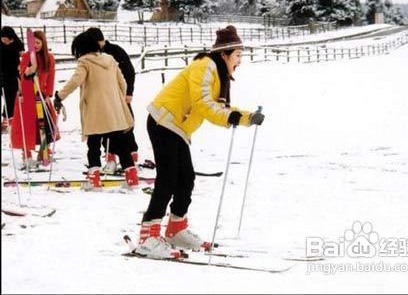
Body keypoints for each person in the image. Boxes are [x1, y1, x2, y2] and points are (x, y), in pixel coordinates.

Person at [135, 25, 265, 259]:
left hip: (178, 128)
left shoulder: (219, 74)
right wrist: (231, 116)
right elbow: (202, 103)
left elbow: (220, 109)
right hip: (163, 121)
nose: (239, 61)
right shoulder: (204, 65)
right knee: (168, 179)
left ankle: (176, 228)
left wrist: (246, 118)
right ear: (224, 54)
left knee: (186, 179)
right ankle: (147, 236)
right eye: (237, 55)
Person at [53, 31, 138, 190]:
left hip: (95, 112)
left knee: (93, 145)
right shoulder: (110, 59)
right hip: (114, 112)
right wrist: (116, 100)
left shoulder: (85, 62)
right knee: (121, 145)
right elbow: (123, 83)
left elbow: (75, 81)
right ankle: (132, 180)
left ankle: (94, 181)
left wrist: (59, 96)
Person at [86, 27, 139, 173]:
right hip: (105, 96)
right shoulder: (93, 54)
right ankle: (111, 158)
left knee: (125, 126)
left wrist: (129, 92)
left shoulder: (115, 51)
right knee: (108, 129)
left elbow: (129, 71)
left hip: (120, 95)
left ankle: (132, 156)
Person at [10, 30, 58, 168]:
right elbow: (23, 73)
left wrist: (48, 94)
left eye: (38, 42)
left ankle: (44, 151)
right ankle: (26, 154)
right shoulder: (26, 56)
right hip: (27, 95)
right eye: (33, 43)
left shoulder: (49, 58)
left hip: (42, 95)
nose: (36, 45)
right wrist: (30, 70)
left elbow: (51, 77)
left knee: (46, 124)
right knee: (27, 126)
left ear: (43, 42)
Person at [1, 26, 24, 132]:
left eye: (6, 39)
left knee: (10, 97)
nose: (4, 41)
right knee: (7, 96)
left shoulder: (17, 44)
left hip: (13, 74)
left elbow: (23, 56)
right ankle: (7, 119)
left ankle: (7, 120)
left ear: (11, 38)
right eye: (2, 39)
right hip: (2, 73)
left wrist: (23, 63)